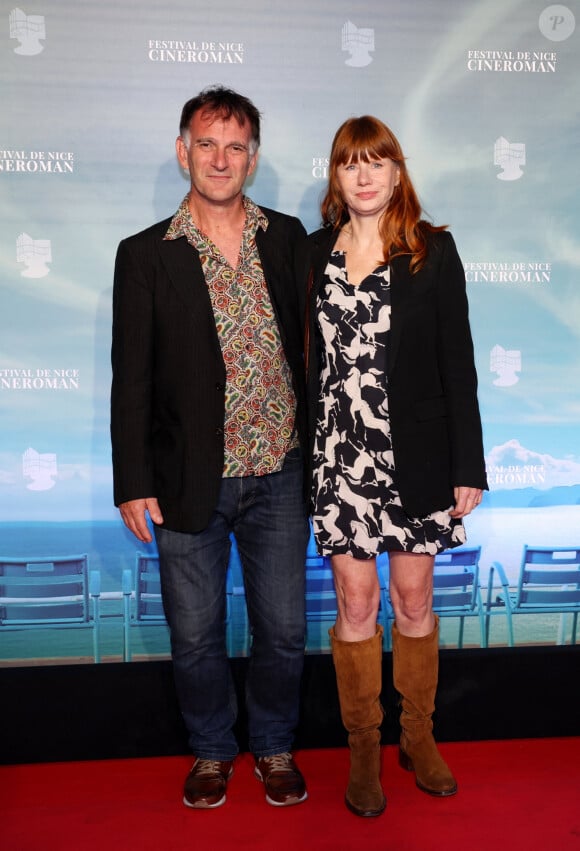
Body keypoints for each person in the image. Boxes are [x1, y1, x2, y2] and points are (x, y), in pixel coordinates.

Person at [111, 86, 310, 810]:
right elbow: (129, 378)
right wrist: (133, 479)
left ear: (252, 158)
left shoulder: (288, 240)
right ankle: (210, 750)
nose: (220, 158)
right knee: (195, 634)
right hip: (187, 478)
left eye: (235, 146)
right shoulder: (144, 255)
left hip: (283, 472)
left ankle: (277, 744)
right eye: (206, 143)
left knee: (284, 630)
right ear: (182, 151)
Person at [297, 116, 488, 817]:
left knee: (412, 602)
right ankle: (362, 750)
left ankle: (419, 737)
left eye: (378, 162)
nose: (366, 175)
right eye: (352, 164)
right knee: (356, 606)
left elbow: (457, 366)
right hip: (338, 460)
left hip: (418, 460)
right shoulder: (310, 253)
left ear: (398, 173)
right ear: (337, 176)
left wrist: (467, 463)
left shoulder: (432, 252)